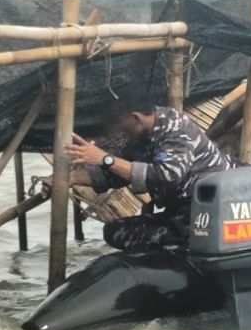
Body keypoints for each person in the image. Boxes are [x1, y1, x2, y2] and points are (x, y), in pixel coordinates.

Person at [64, 100, 233, 251]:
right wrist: (70, 179)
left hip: (206, 214)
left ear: (136, 118)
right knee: (113, 231)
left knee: (129, 236)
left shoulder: (176, 128)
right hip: (180, 212)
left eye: (121, 123)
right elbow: (117, 174)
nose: (120, 129)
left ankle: (185, 250)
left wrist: (104, 158)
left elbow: (166, 177)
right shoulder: (141, 136)